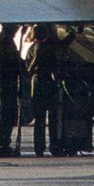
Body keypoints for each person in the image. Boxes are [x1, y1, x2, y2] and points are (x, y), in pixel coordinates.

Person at [25, 24, 73, 156]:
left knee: (40, 119)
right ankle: (54, 145)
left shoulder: (31, 49)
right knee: (52, 117)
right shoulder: (46, 47)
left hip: (38, 84)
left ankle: (40, 147)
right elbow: (63, 45)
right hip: (47, 83)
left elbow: (28, 67)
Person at [0, 24, 22, 157]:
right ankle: (3, 144)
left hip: (6, 79)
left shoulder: (4, 39)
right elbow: (11, 59)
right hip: (6, 79)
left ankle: (4, 143)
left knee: (8, 112)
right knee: (7, 112)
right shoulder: (4, 40)